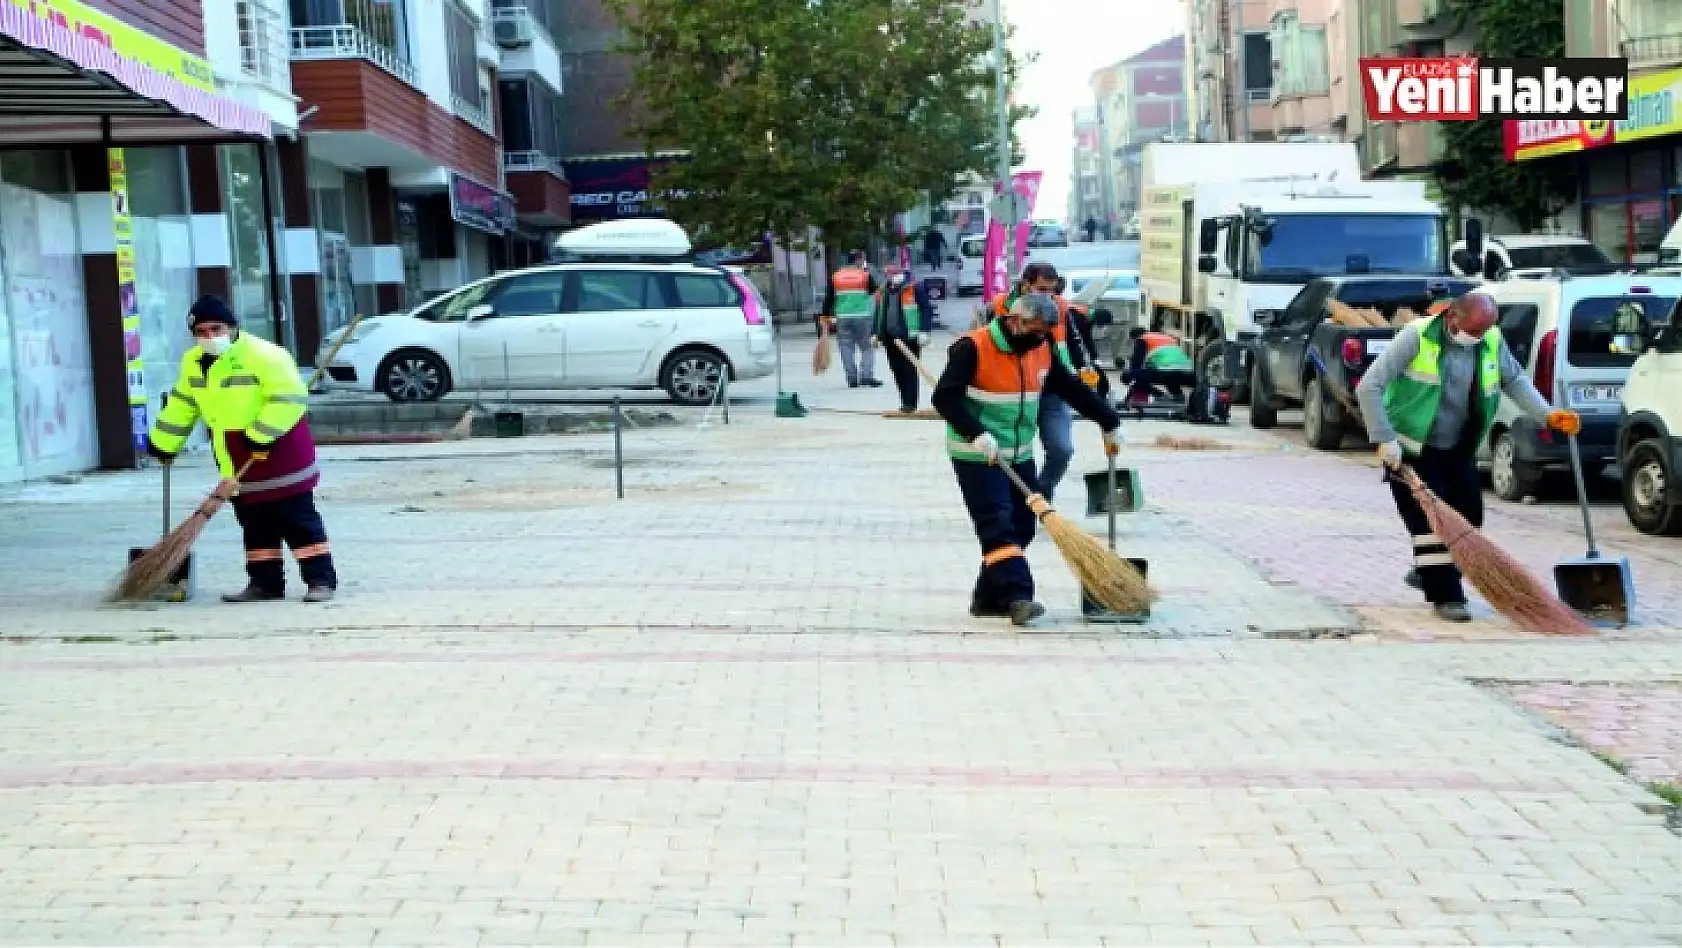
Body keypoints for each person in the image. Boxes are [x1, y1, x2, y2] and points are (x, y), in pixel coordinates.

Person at [1355, 292, 1579, 623]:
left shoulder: (1490, 340)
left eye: (1483, 331)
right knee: (1430, 525)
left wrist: (1548, 415)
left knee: (1469, 518)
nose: (1476, 338)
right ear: (1452, 317)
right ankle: (1447, 596)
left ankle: (1429, 571)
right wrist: (1384, 439)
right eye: (1472, 331)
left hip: (1459, 445)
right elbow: (1369, 386)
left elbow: (1514, 380)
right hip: (1412, 447)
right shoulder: (1416, 336)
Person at [934, 294, 1124, 626]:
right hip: (976, 453)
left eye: (1044, 331)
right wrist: (975, 433)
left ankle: (987, 598)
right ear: (1013, 321)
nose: (1038, 337)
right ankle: (1018, 596)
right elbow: (944, 397)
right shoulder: (973, 347)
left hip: (1018, 452)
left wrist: (1109, 421)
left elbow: (1071, 388)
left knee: (1023, 524)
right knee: (997, 523)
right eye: (1033, 330)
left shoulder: (1042, 349)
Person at [146, 295, 338, 603]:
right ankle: (265, 583)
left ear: (233, 327)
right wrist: (164, 443)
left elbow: (289, 398)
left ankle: (320, 580)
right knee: (254, 522)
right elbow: (183, 403)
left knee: (297, 520)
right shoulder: (193, 363)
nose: (210, 337)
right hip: (236, 455)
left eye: (216, 329)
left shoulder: (266, 355)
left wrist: (261, 434)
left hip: (278, 447)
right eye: (202, 332)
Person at [872, 263, 936, 412]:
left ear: (901, 274)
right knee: (897, 370)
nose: (890, 277)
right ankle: (905, 401)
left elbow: (926, 309)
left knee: (909, 370)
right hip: (889, 338)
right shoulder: (883, 291)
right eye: (888, 274)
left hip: (910, 338)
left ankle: (910, 403)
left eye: (893, 274)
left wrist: (924, 331)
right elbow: (879, 313)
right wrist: (875, 333)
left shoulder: (914, 288)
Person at [821, 250, 882, 388]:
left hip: (842, 317)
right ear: (858, 260)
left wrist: (825, 316)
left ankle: (852, 378)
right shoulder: (865, 276)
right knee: (867, 347)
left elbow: (829, 298)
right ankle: (866, 376)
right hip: (863, 316)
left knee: (845, 346)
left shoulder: (836, 276)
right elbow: (876, 293)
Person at [1122, 327, 1196, 403]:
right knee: (1171, 376)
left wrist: (1129, 390)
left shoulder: (1143, 338)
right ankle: (1178, 395)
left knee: (1129, 375)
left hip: (1166, 372)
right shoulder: (1168, 338)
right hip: (1188, 373)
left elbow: (1136, 363)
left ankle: (1160, 395)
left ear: (1136, 337)